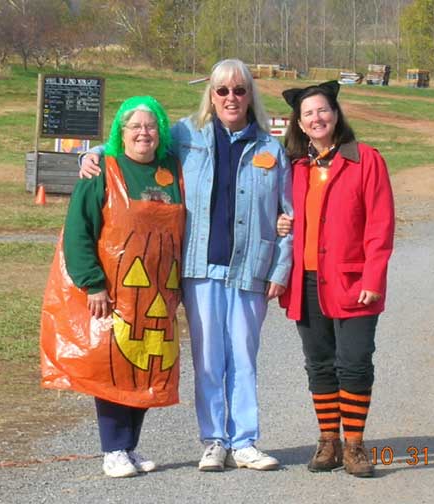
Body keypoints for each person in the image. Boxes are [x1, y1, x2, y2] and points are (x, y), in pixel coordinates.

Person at [79, 59, 293, 472]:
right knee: (209, 359)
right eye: (222, 90)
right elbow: (138, 141)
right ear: (210, 95)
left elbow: (290, 217)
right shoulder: (185, 134)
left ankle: (245, 441)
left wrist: (279, 271)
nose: (231, 98)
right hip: (198, 270)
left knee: (244, 357)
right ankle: (214, 440)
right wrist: (93, 154)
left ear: (251, 95)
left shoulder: (270, 149)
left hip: (251, 269)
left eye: (239, 90)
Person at [40, 96, 185, 478]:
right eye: (134, 126)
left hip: (157, 294)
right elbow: (78, 232)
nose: (143, 133)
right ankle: (113, 449)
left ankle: (130, 447)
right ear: (121, 131)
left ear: (161, 132)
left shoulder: (172, 169)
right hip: (114, 292)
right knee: (113, 367)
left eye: (150, 126)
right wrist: (93, 285)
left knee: (146, 365)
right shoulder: (101, 171)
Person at [277, 81, 394, 478]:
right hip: (306, 282)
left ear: (337, 114)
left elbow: (381, 225)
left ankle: (355, 444)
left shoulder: (366, 161)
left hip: (354, 281)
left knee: (355, 363)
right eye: (308, 113)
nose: (316, 118)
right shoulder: (295, 165)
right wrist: (281, 223)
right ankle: (328, 440)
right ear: (299, 122)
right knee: (320, 364)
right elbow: (282, 213)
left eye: (323, 110)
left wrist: (373, 277)